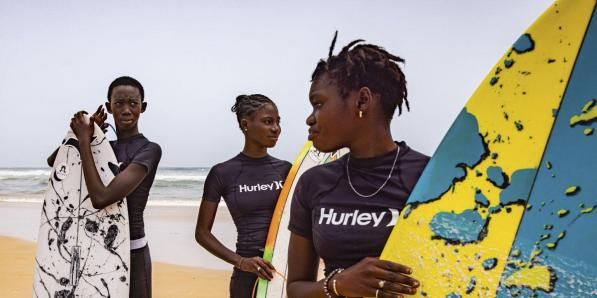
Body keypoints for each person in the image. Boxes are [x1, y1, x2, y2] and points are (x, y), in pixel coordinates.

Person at [286, 33, 430, 298]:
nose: (310, 118)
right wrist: (338, 285)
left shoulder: (429, 178)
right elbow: (295, 290)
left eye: (318, 104)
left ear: (362, 101)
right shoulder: (313, 183)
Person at [56, 76, 161, 298]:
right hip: (93, 247)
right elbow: (55, 162)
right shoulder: (102, 147)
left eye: (133, 103)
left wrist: (85, 141)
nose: (126, 110)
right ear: (108, 107)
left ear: (143, 107)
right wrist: (84, 133)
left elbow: (102, 198)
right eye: (119, 103)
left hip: (132, 252)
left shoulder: (149, 150)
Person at [195, 94, 292, 297]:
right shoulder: (222, 173)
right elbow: (202, 233)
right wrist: (242, 262)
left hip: (284, 271)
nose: (276, 128)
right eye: (268, 122)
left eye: (277, 122)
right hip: (245, 276)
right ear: (245, 124)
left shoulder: (285, 170)